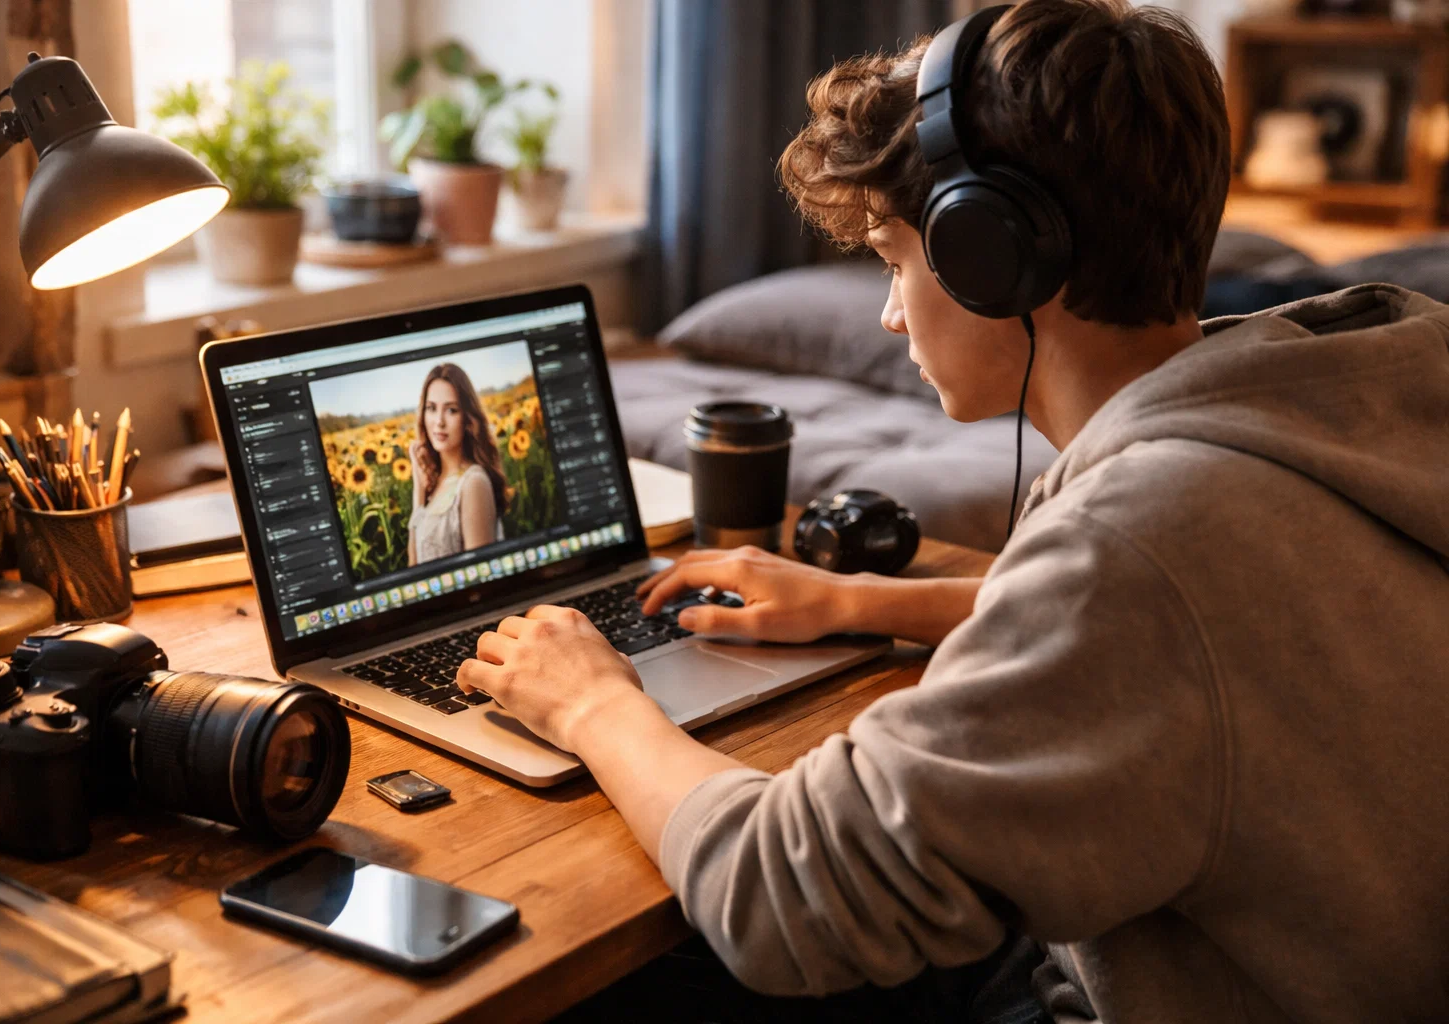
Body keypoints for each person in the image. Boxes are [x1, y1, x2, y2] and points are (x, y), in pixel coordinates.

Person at [458, 1, 1449, 1021]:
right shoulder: (1344, 385)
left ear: (992, 254)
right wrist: (859, 603)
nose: (890, 313)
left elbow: (779, 897)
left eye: (895, 259)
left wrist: (591, 701)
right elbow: (1211, 626)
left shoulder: (1143, 540)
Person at [407, 362, 506, 566]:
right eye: (431, 408)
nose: (439, 421)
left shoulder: (473, 482)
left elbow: (482, 578)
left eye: (451, 410)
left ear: (467, 418)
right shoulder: (435, 482)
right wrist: (418, 488)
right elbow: (414, 565)